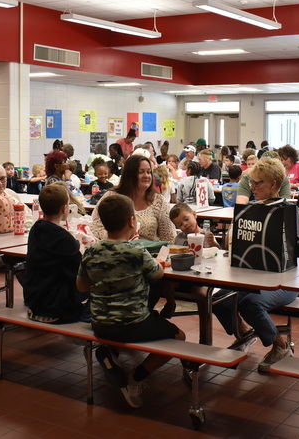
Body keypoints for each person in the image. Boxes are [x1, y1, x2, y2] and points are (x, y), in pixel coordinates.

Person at [77, 193, 185, 408]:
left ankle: (108, 353)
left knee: (122, 329)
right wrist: (158, 261)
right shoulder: (137, 251)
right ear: (132, 221)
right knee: (179, 337)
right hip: (133, 324)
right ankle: (136, 377)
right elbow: (158, 274)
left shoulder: (91, 251)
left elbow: (81, 286)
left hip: (99, 323)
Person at [212, 158, 298, 372]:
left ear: (274, 184)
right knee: (218, 300)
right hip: (251, 278)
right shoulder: (249, 210)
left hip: (285, 281)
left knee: (251, 303)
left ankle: (281, 346)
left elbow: (288, 253)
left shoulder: (288, 212)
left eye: (258, 183)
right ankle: (246, 335)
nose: (252, 188)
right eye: (251, 182)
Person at [21, 183, 89, 324]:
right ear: (65, 208)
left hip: (35, 302)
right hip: (56, 308)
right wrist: (79, 248)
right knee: (97, 277)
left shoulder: (35, 229)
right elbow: (80, 270)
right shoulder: (64, 239)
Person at [90, 154, 175, 242]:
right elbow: (95, 226)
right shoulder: (111, 196)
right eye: (141, 172)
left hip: (149, 253)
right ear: (129, 175)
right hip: (115, 251)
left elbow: (169, 238)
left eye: (149, 172)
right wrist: (118, 241)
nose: (146, 176)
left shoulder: (159, 201)